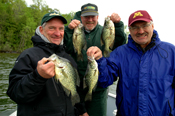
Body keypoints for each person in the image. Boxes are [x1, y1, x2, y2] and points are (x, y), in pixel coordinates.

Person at [87, 10, 175, 116]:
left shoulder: (170, 51)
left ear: (152, 26)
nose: (141, 31)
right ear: (129, 30)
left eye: (144, 25)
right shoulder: (120, 53)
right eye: (135, 27)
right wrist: (100, 60)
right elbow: (104, 80)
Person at [6, 11, 84, 116]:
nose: (57, 33)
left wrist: (82, 111)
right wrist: (38, 76)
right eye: (52, 28)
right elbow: (15, 93)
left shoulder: (68, 58)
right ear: (41, 30)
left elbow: (75, 89)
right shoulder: (28, 56)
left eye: (61, 29)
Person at [63, 3, 127, 116]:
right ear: (81, 17)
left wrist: (118, 25)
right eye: (87, 17)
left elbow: (120, 44)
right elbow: (66, 48)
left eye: (93, 16)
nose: (90, 19)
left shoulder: (105, 31)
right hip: (76, 87)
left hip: (98, 90)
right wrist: (68, 30)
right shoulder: (74, 31)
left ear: (98, 17)